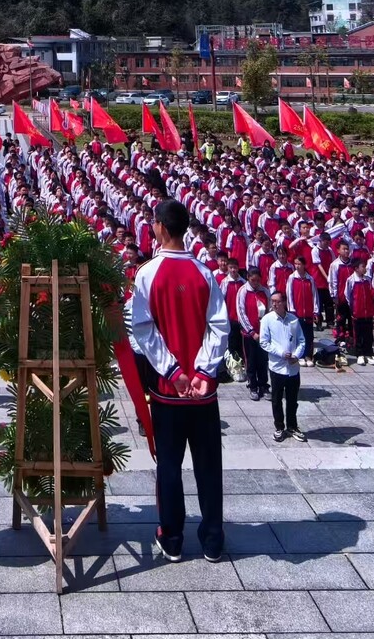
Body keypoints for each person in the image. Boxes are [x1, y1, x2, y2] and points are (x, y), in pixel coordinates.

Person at [127, 198, 229, 564]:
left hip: (170, 390)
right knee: (208, 466)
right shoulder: (204, 272)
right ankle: (212, 537)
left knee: (169, 466)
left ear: (160, 227)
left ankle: (172, 536)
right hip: (203, 393)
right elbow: (219, 327)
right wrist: (203, 372)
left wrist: (173, 371)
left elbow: (143, 330)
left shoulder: (147, 274)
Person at [260, 291, 306, 442]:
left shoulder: (293, 319)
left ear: (284, 302)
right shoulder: (267, 319)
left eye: (277, 301)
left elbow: (301, 340)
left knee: (292, 399)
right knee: (277, 399)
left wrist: (296, 355)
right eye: (272, 301)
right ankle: (279, 427)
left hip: (292, 368)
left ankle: (292, 426)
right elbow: (264, 342)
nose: (274, 304)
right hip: (277, 367)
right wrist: (280, 353)